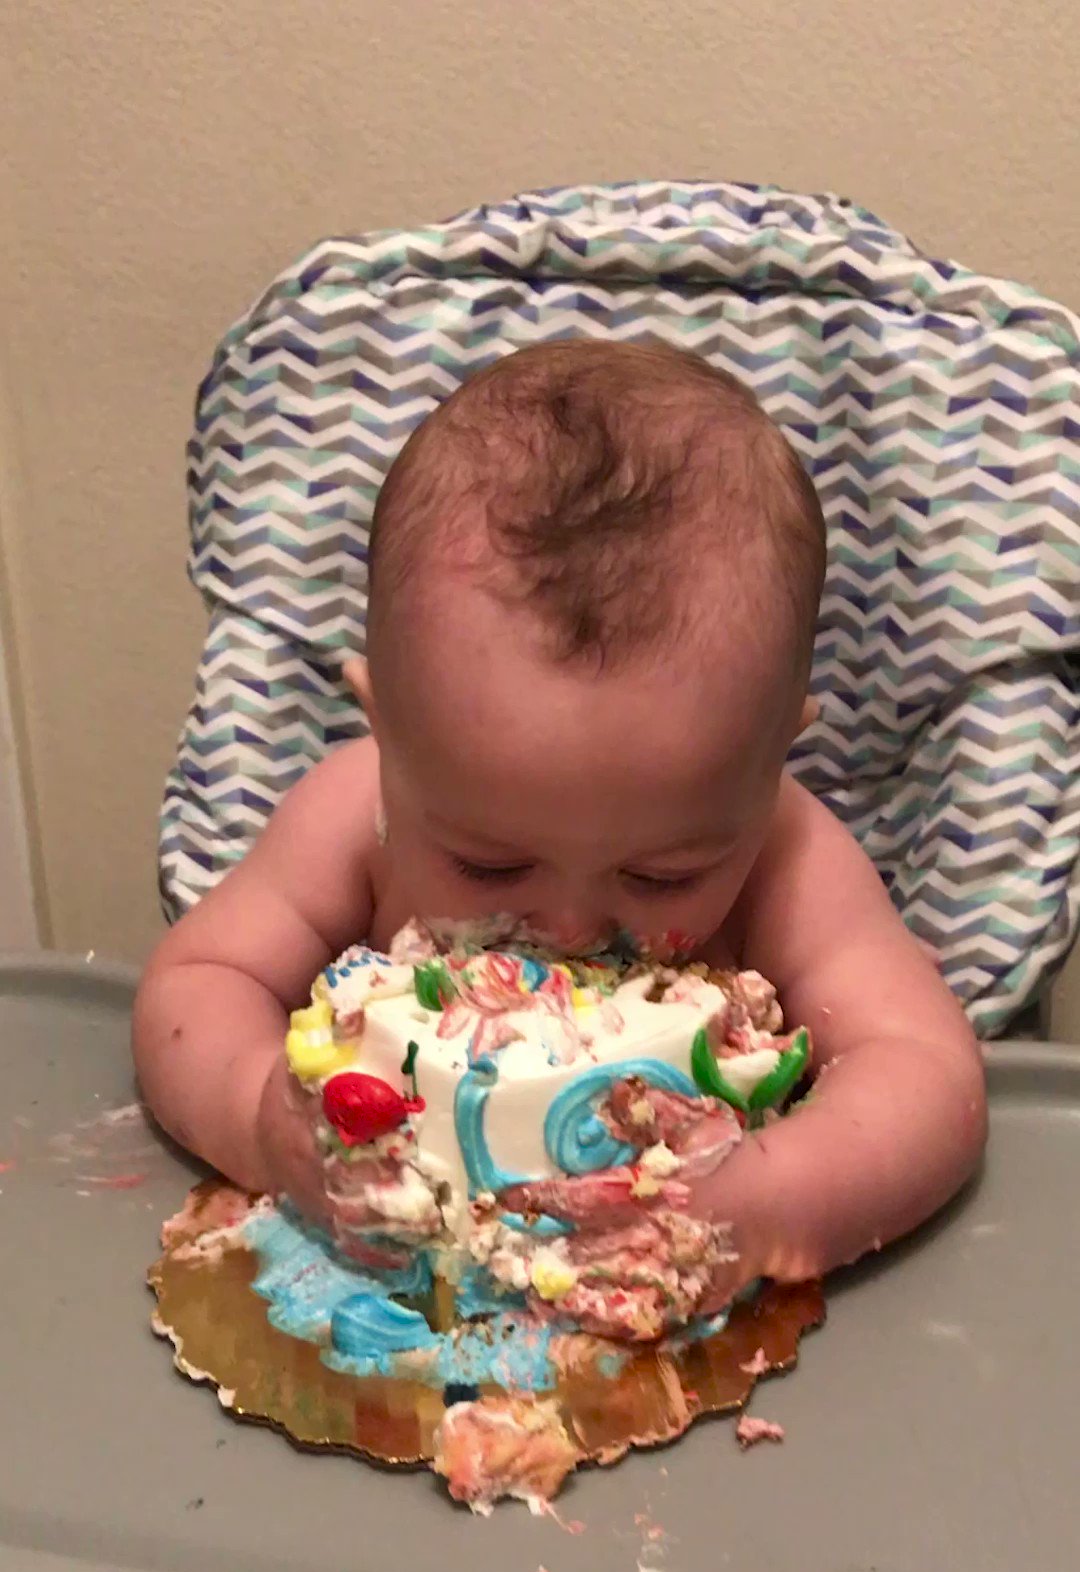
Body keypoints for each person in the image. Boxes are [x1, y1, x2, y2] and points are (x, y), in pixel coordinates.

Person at [134, 339, 986, 1301]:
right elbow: (197, 983)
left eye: (663, 875)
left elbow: (927, 1076)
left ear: (771, 763)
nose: (572, 927)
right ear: (388, 735)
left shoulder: (791, 860)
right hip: (382, 1283)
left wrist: (770, 1202)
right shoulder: (350, 812)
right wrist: (257, 1117)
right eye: (489, 866)